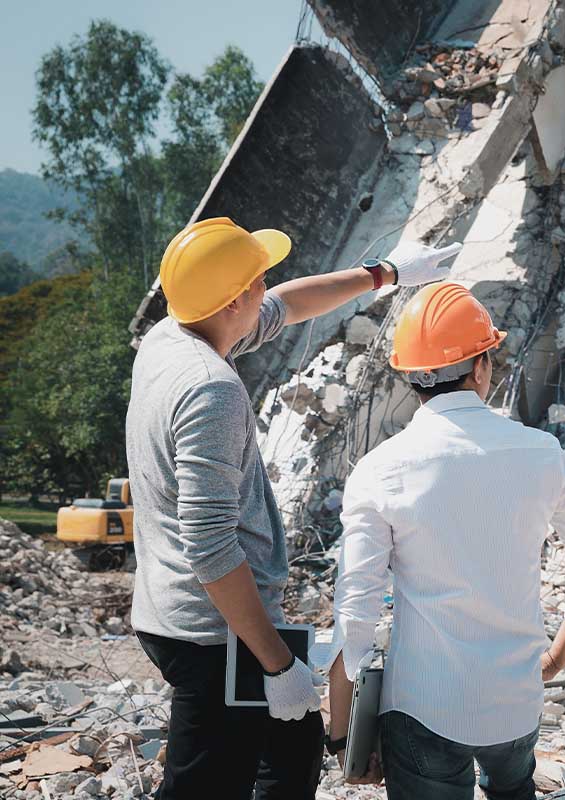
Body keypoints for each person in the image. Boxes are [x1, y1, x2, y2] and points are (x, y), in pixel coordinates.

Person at [126, 216, 461, 799]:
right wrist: (278, 665)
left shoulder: (173, 336)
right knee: (206, 786)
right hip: (215, 633)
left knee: (291, 756)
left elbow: (284, 304)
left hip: (187, 609)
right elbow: (209, 545)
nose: (267, 285)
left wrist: (384, 274)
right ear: (235, 300)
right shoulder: (211, 389)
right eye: (258, 276)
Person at [326, 282, 565, 800]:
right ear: (481, 366)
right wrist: (555, 660)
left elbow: (356, 616)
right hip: (515, 701)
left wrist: (342, 738)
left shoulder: (380, 470)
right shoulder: (541, 453)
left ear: (411, 377)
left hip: (424, 705)